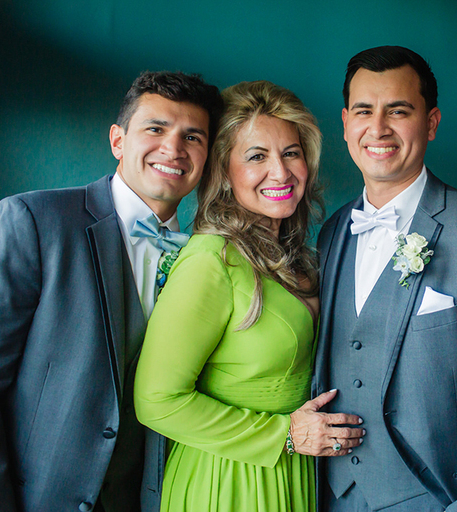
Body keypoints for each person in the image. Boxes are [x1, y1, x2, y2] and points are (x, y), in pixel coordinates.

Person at [313, 45, 457, 512]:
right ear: (345, 123)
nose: (378, 128)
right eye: (364, 111)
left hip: (444, 501)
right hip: (332, 497)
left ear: (431, 122)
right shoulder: (332, 232)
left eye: (398, 111)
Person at [0, 71, 223, 512]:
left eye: (193, 137)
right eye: (156, 129)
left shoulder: (205, 258)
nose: (173, 148)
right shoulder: (32, 221)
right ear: (118, 141)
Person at [134, 80, 364, 512]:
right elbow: (155, 401)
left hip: (299, 473)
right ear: (224, 171)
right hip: (227, 481)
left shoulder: (308, 259)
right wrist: (286, 435)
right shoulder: (211, 260)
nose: (280, 172)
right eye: (257, 156)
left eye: (291, 153)